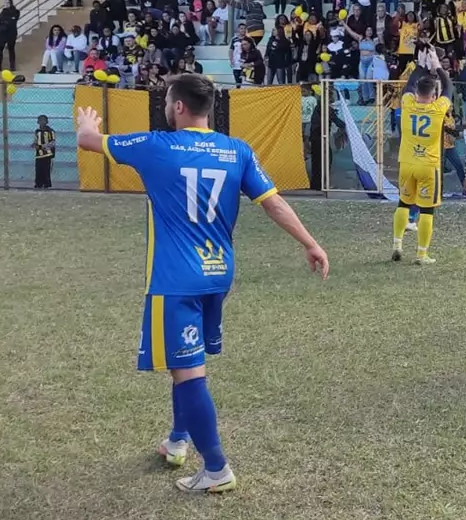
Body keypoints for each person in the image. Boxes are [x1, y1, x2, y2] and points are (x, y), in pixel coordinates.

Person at [74, 74, 330, 494]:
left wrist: (88, 124)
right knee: (184, 363)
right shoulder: (237, 150)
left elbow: (89, 141)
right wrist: (310, 243)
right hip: (218, 274)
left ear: (177, 106)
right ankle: (177, 442)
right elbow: (274, 202)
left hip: (176, 279)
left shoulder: (158, 145)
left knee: (188, 371)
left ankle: (216, 468)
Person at [392, 64, 452, 265]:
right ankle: (421, 254)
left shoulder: (408, 102)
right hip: (428, 165)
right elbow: (449, 87)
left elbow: (409, 84)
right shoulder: (437, 109)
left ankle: (397, 244)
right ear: (434, 94)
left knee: (403, 203)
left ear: (417, 92)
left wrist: (421, 64)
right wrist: (437, 67)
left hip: (407, 163)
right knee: (427, 210)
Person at [0, 0, 20, 71]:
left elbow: (12, 21)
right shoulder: (3, 12)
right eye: (5, 3)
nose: (6, 4)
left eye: (8, 2)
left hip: (11, 33)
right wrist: (3, 24)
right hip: (2, 33)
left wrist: (5, 22)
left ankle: (12, 66)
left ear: (11, 3)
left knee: (11, 49)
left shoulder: (16, 11)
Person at [34, 114, 56, 189]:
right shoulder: (37, 132)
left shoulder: (50, 131)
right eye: (40, 120)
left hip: (47, 154)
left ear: (47, 122)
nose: (42, 122)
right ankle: (38, 184)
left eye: (43, 120)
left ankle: (46, 184)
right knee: (38, 169)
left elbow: (52, 143)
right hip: (38, 155)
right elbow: (36, 141)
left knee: (46, 170)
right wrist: (34, 145)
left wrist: (43, 147)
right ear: (38, 122)